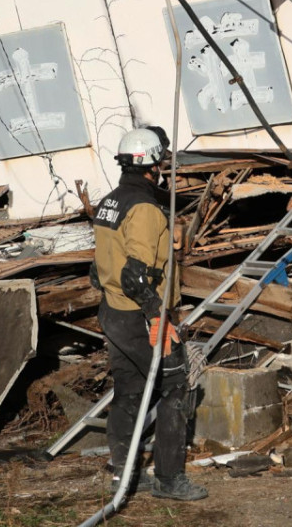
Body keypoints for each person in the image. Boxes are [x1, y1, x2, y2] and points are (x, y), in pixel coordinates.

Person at [90, 128, 207, 501]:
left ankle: (123, 474)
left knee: (129, 391)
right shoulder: (144, 209)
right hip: (142, 316)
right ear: (152, 165)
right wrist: (157, 316)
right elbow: (135, 275)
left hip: (113, 313)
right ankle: (170, 480)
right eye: (162, 162)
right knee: (175, 389)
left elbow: (98, 271)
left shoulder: (109, 203)